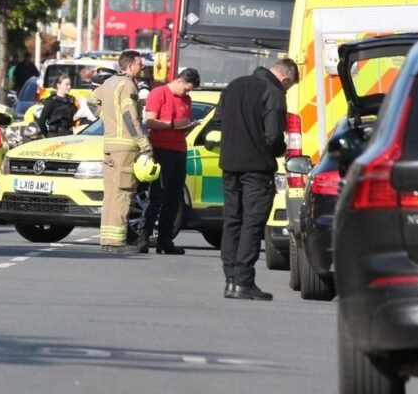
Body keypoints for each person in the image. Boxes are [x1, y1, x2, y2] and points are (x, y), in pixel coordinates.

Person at [213, 58, 298, 301]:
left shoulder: (233, 86)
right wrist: (280, 149)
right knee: (252, 222)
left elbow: (218, 121)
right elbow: (273, 135)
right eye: (288, 87)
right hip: (257, 169)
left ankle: (230, 281)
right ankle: (244, 281)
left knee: (232, 221)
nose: (286, 90)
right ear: (285, 79)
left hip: (229, 164)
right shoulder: (273, 92)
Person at [90, 50, 151, 253]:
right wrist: (144, 143)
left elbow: (91, 101)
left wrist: (105, 117)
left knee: (110, 194)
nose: (142, 67)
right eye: (139, 63)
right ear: (130, 65)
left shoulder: (108, 83)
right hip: (125, 147)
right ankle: (117, 243)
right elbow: (129, 116)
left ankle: (107, 241)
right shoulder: (128, 85)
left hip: (109, 146)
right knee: (123, 194)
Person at [140, 68, 201, 255]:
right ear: (180, 81)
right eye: (187, 89)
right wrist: (173, 125)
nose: (187, 93)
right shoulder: (159, 93)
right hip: (161, 149)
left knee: (174, 198)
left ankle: (165, 240)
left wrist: (189, 127)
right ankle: (143, 238)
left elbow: (182, 125)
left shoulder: (186, 99)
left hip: (179, 149)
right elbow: (149, 122)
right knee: (156, 195)